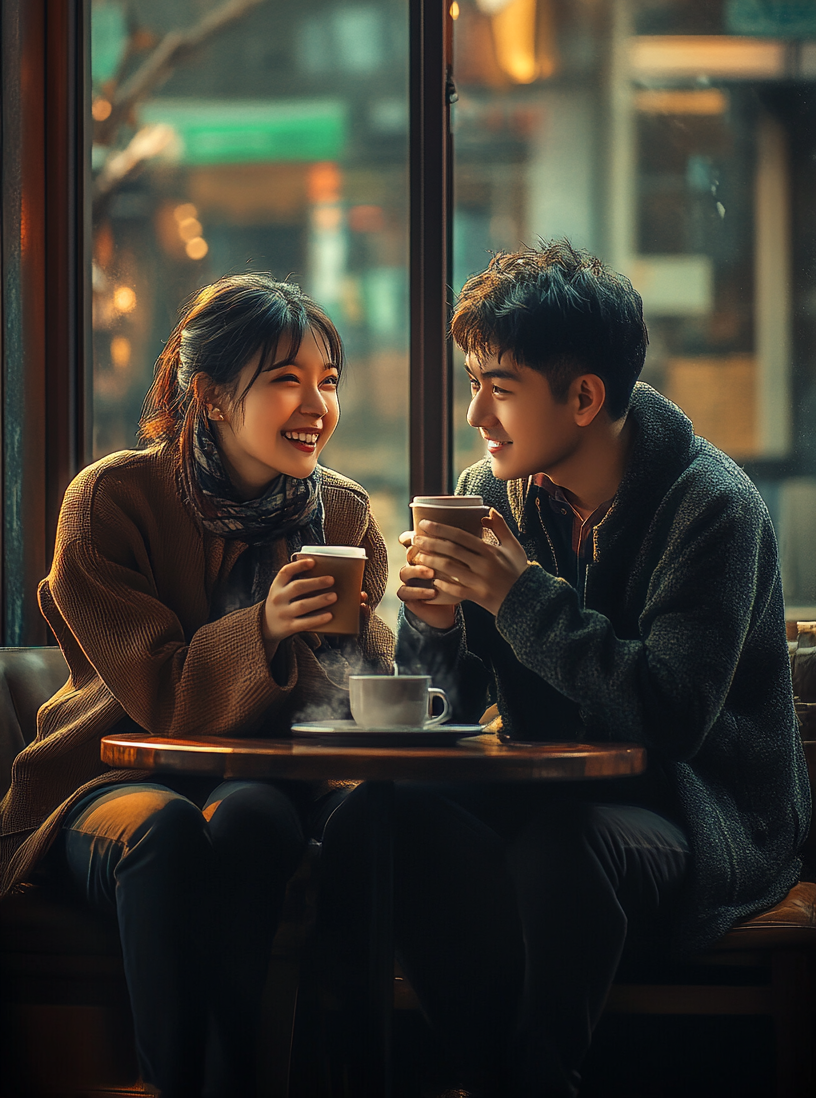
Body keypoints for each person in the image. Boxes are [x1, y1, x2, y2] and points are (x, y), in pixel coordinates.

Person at [321, 239, 810, 1097]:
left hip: (705, 810)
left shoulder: (713, 507)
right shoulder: (495, 489)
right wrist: (436, 627)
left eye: (498, 388)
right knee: (373, 819)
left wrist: (518, 597)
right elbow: (462, 705)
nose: (475, 414)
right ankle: (469, 1077)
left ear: (585, 397)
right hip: (548, 789)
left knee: (566, 846)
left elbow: (671, 715)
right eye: (473, 381)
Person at [0, 273, 393, 1098]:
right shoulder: (111, 499)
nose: (316, 405)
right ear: (210, 396)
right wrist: (265, 628)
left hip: (267, 780)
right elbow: (162, 696)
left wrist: (414, 625)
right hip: (109, 775)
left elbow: (355, 697)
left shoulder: (343, 517)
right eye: (286, 379)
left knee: (252, 816)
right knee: (167, 832)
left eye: (328, 381)